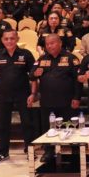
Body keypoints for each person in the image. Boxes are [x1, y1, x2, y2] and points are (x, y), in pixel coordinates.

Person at [0, 30, 36, 164]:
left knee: (27, 123)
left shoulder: (26, 54)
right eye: (6, 39)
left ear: (17, 39)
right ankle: (2, 152)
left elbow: (34, 75)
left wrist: (33, 93)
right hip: (2, 94)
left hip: (23, 94)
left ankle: (29, 150)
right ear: (2, 40)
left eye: (12, 38)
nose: (9, 41)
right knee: (3, 124)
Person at [31, 33, 82, 163]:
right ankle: (49, 151)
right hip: (47, 102)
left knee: (71, 127)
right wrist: (35, 74)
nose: (49, 46)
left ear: (60, 43)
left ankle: (75, 151)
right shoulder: (41, 59)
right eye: (47, 44)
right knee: (48, 128)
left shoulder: (71, 58)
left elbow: (78, 81)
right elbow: (31, 75)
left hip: (67, 101)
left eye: (52, 43)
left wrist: (77, 97)